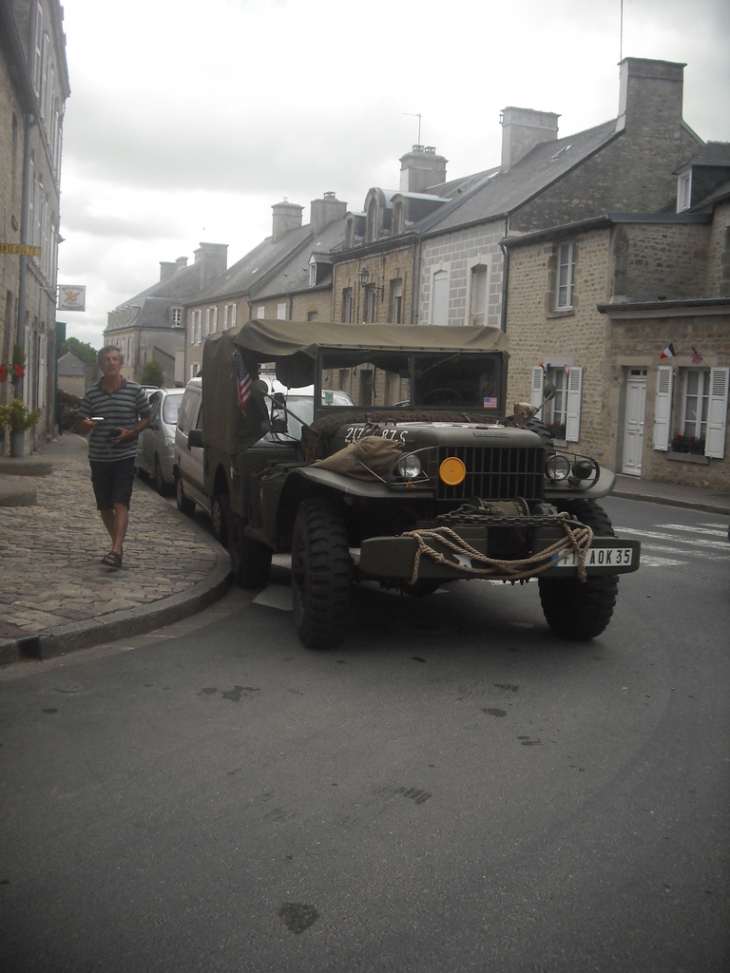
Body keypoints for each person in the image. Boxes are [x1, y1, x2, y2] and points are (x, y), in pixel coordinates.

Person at [77, 346, 151, 569]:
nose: (112, 363)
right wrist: (86, 424)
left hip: (124, 455)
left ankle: (116, 550)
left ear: (121, 364)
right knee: (104, 506)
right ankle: (116, 546)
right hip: (99, 456)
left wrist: (133, 432)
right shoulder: (92, 393)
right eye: (107, 360)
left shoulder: (135, 390)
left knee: (121, 502)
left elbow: (147, 416)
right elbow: (81, 422)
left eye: (116, 359)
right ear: (100, 365)